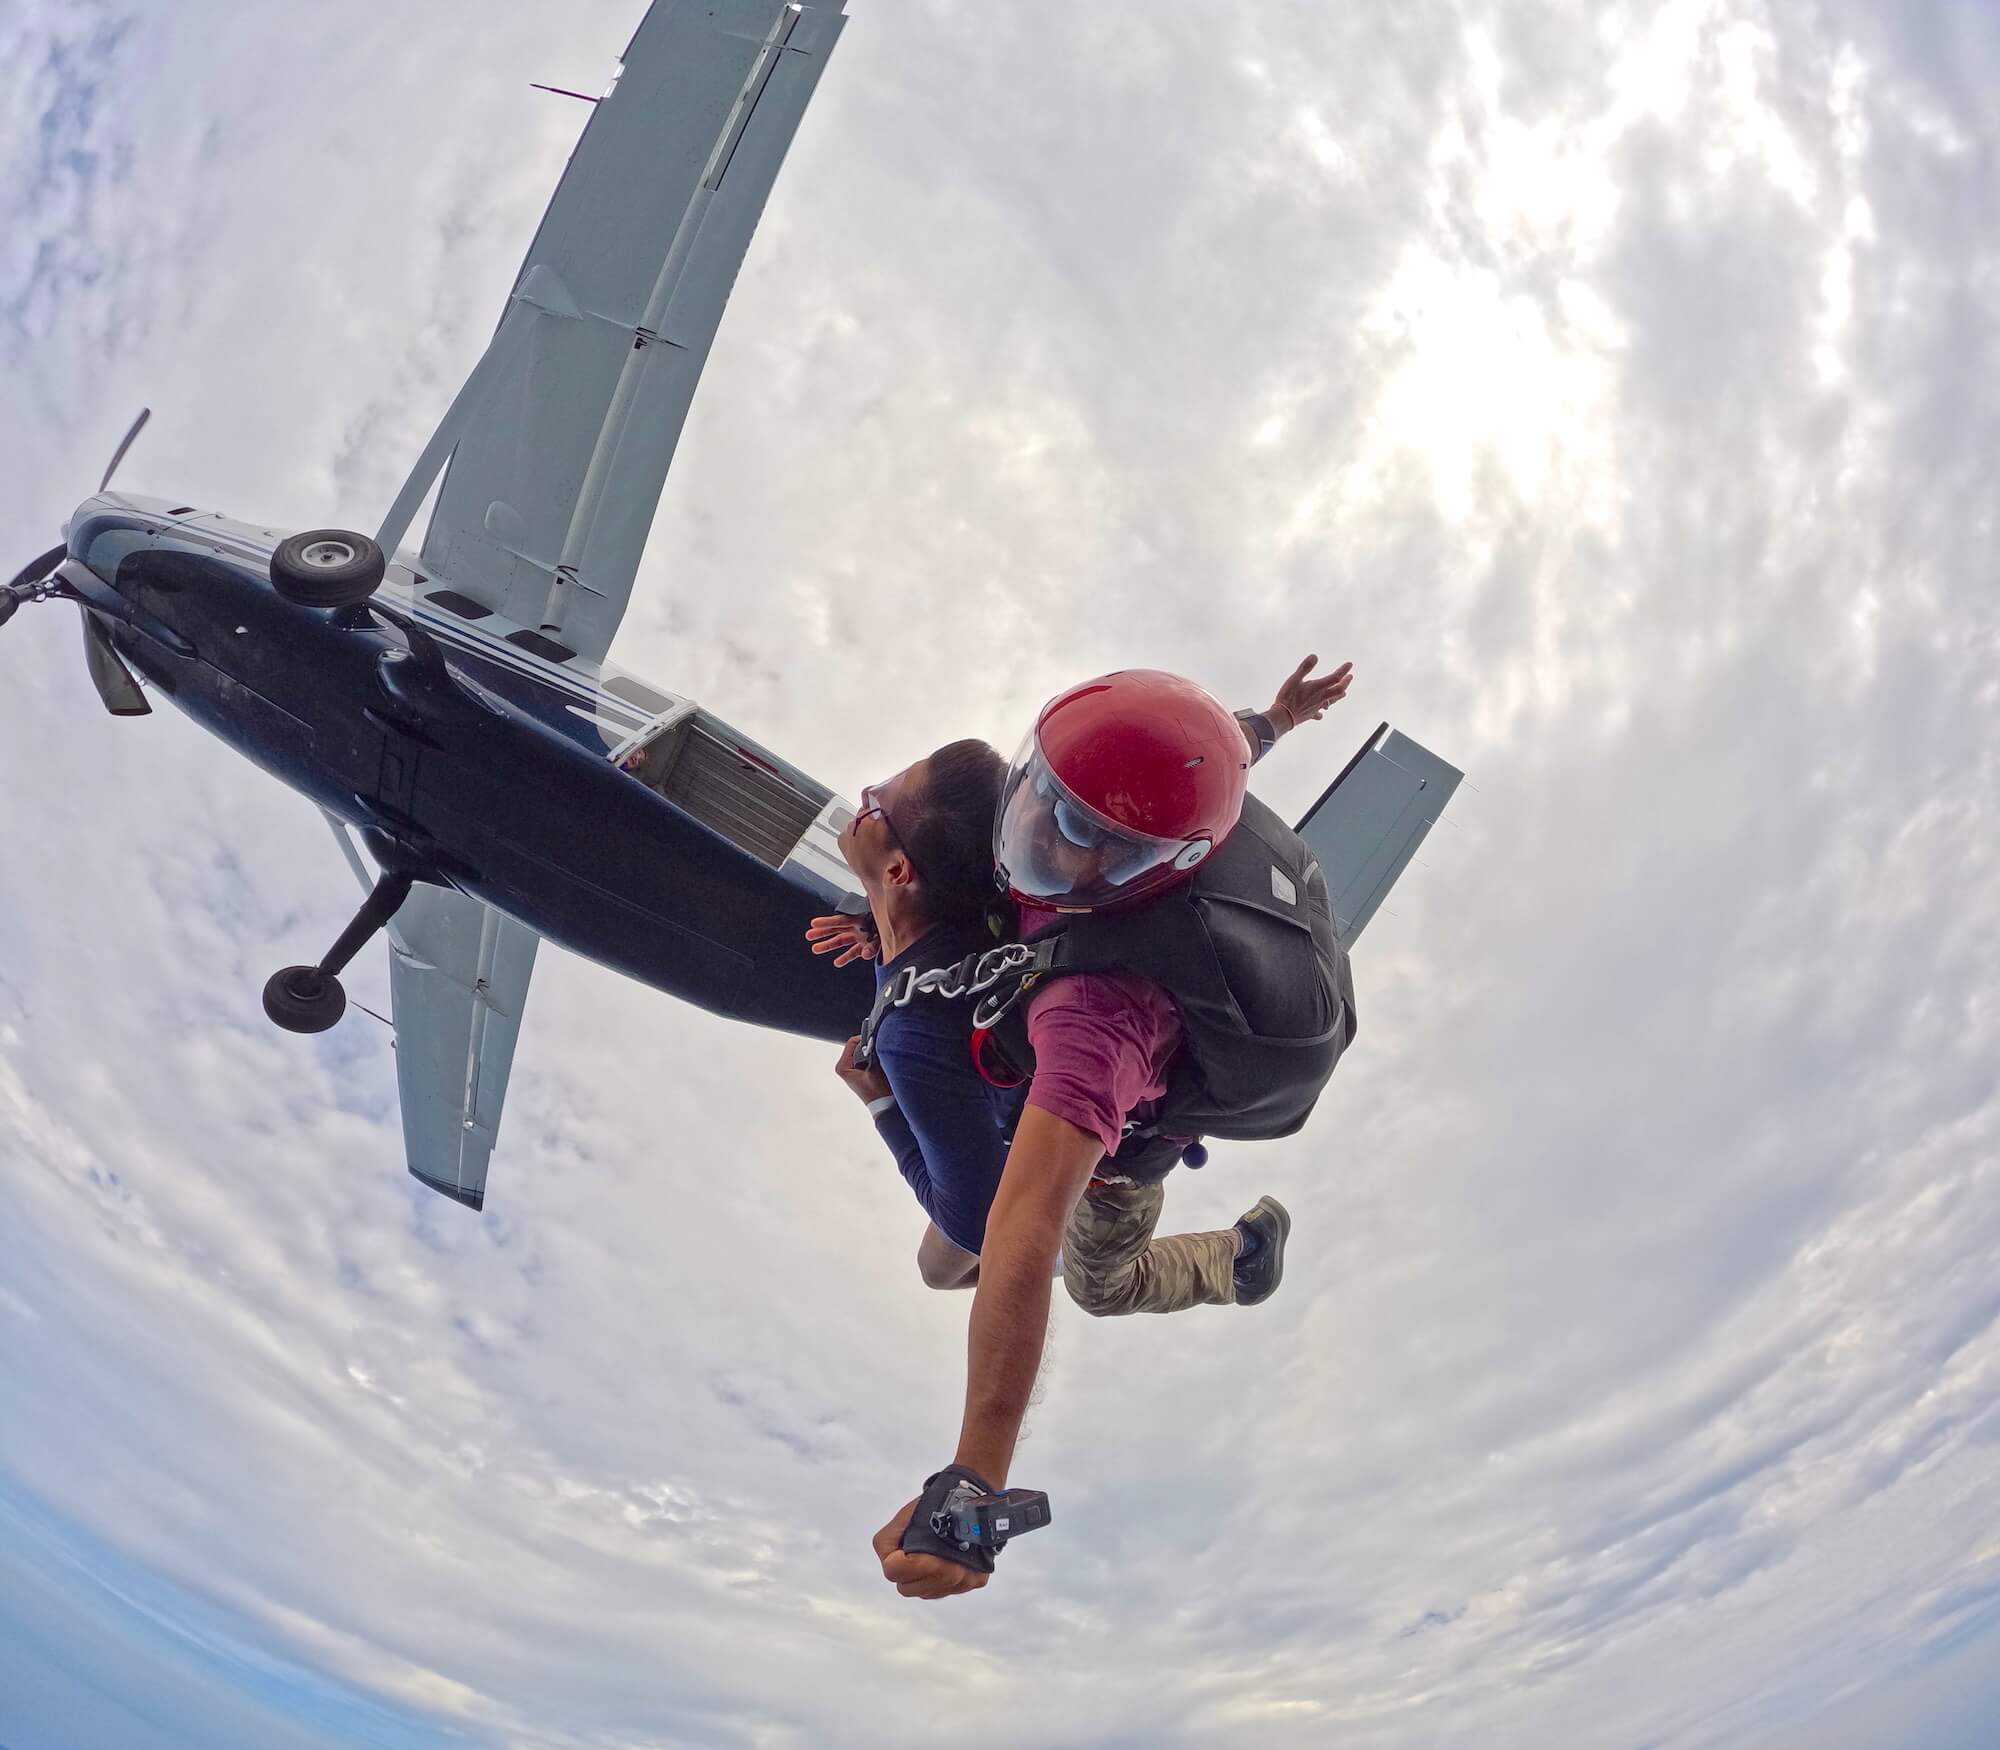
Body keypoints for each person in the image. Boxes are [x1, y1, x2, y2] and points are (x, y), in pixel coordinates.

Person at [867, 654, 1356, 1601]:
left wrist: (974, 1479)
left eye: (1086, 836)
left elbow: (1026, 1226)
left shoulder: (1102, 1014)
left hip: (1120, 1158)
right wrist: (1280, 717)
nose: (1043, 835)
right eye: (1039, 795)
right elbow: (1215, 750)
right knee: (950, 1259)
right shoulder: (1123, 804)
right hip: (1047, 1063)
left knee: (1098, 1282)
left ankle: (1238, 1259)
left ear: (1147, 865)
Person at [812, 740, 1023, 1287]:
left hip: (1104, 1170)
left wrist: (880, 1102)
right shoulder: (977, 915)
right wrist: (873, 920)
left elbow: (978, 1226)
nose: (864, 795)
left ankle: (1100, 1256)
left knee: (937, 1272)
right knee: (940, 1269)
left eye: (877, 803)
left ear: (901, 870)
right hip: (1067, 1109)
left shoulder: (910, 1036)